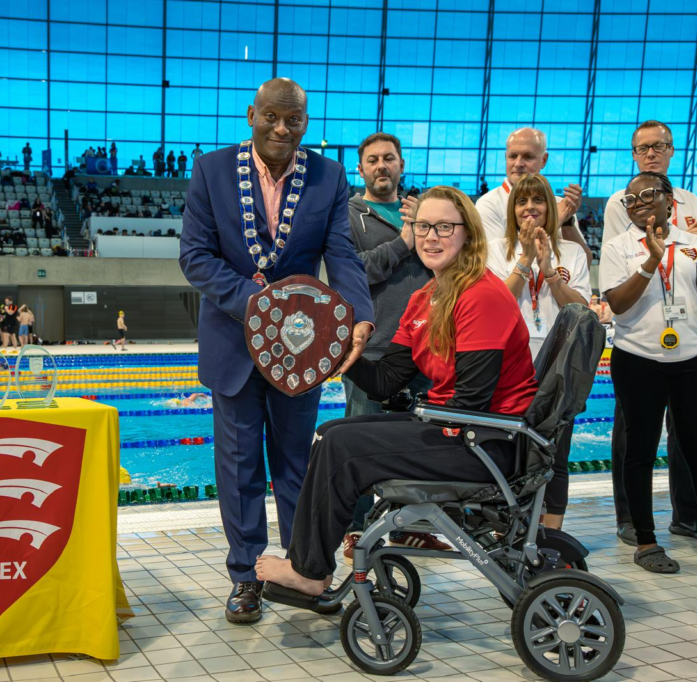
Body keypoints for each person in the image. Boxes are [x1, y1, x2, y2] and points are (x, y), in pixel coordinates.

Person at [255, 185, 537, 596]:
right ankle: (310, 564)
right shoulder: (425, 298)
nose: (431, 237)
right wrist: (333, 349)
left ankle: (309, 572)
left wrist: (418, 419)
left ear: (468, 234)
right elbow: (387, 379)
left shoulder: (481, 295)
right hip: (458, 430)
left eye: (444, 227)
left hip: (485, 442)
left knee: (342, 447)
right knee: (330, 433)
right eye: (423, 226)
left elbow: (472, 402)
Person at [179, 78, 373, 624]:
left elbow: (341, 254)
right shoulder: (211, 170)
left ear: (306, 122)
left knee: (296, 465)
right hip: (233, 344)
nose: (283, 129)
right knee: (239, 465)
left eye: (294, 119)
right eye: (272, 117)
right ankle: (246, 577)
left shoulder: (329, 176)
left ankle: (305, 569)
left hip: (301, 347)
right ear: (252, 114)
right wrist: (260, 303)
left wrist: (359, 315)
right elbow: (195, 257)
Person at [599, 171, 697, 577]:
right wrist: (651, 261)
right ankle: (646, 540)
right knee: (640, 451)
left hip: (692, 358)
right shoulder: (617, 248)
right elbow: (618, 304)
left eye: (648, 195)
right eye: (630, 200)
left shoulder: (695, 245)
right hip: (637, 359)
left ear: (670, 200)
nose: (638, 203)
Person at [602, 121, 697, 545]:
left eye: (658, 146)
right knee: (636, 441)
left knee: (696, 444)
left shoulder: (693, 212)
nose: (650, 153)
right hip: (639, 349)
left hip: (690, 348)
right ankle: (635, 524)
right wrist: (654, 258)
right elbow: (619, 286)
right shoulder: (619, 215)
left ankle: (694, 521)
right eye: (642, 148)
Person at [343, 131, 438, 555]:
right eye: (373, 160)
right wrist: (403, 242)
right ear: (361, 168)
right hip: (373, 348)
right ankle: (355, 527)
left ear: (402, 165)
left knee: (420, 443)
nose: (381, 165)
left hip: (425, 348)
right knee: (361, 442)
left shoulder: (422, 211)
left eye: (389, 158)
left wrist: (425, 228)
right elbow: (353, 272)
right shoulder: (349, 216)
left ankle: (408, 525)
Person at [487, 174, 591, 530]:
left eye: (538, 200)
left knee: (555, 455)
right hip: (509, 364)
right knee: (507, 452)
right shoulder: (494, 249)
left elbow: (581, 311)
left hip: (559, 365)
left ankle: (551, 536)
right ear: (512, 210)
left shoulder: (572, 253)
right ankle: (506, 532)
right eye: (521, 201)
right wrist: (525, 260)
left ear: (550, 207)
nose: (529, 208)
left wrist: (549, 272)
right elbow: (494, 306)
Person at [475, 128, 591, 263]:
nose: (518, 164)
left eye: (528, 157)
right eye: (512, 156)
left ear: (544, 160)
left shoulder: (561, 204)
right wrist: (555, 222)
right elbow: (495, 262)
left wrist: (567, 222)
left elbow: (585, 262)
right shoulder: (489, 203)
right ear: (505, 157)